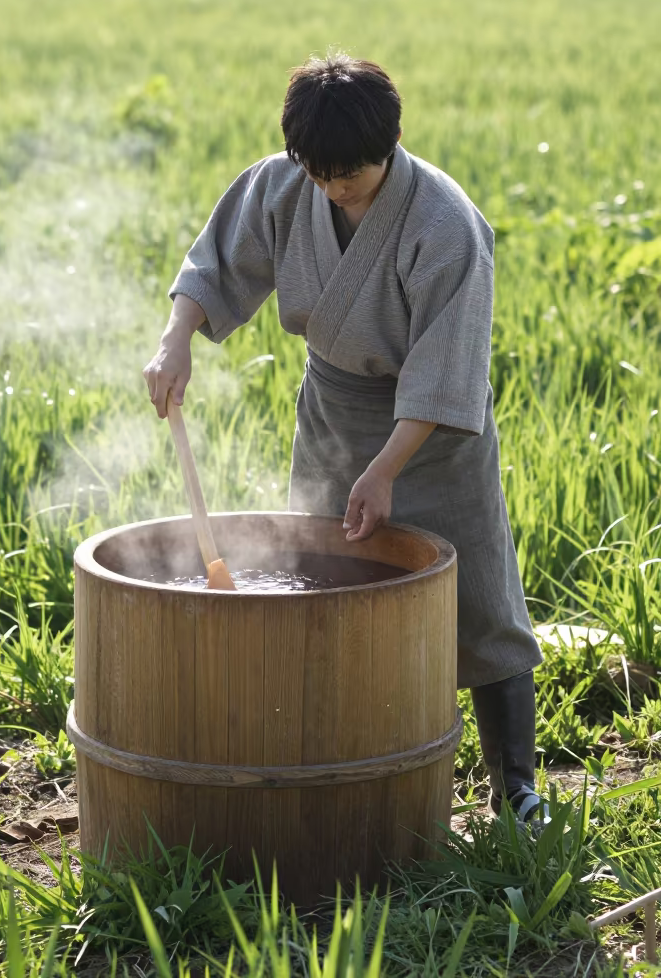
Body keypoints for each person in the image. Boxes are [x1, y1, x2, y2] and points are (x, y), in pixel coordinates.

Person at [143, 52, 546, 825]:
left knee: (481, 601)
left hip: (432, 431)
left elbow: (446, 367)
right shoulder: (287, 183)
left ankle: (517, 788)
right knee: (322, 578)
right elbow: (217, 262)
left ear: (390, 145)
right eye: (319, 173)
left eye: (348, 177)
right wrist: (176, 339)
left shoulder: (444, 222)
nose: (332, 188)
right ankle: (335, 753)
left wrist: (387, 468)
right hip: (332, 407)